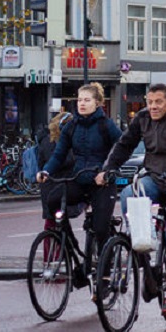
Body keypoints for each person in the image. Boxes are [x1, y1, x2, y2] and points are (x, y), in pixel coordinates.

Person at [97, 83, 166, 317]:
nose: (152, 106)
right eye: (149, 102)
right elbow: (124, 145)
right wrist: (108, 169)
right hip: (154, 177)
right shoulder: (142, 118)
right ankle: (145, 242)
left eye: (158, 102)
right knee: (128, 195)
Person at [36, 82, 122, 256]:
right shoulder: (71, 126)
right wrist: (46, 171)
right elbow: (58, 155)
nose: (81, 103)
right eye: (79, 100)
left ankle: (104, 275)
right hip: (80, 180)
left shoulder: (106, 125)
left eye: (87, 100)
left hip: (102, 184)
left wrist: (107, 171)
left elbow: (122, 149)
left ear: (97, 103)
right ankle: (70, 242)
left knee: (100, 228)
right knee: (53, 201)